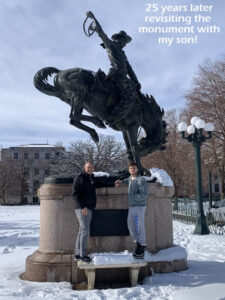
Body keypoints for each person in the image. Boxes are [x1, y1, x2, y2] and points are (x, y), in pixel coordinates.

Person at [85, 11, 142, 125]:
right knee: (130, 97)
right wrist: (94, 18)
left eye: (126, 42)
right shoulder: (111, 46)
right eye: (124, 41)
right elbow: (102, 34)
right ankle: (111, 118)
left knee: (136, 95)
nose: (125, 44)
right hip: (116, 77)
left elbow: (130, 70)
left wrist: (137, 82)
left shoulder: (123, 54)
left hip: (124, 78)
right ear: (119, 39)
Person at [72, 162, 115, 263]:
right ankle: (82, 255)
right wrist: (83, 207)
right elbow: (75, 194)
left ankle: (78, 254)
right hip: (83, 208)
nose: (90, 168)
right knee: (85, 231)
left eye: (91, 167)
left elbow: (100, 184)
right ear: (84, 168)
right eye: (88, 167)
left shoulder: (91, 178)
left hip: (89, 208)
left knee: (82, 231)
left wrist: (113, 184)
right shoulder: (80, 177)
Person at [115, 162, 149, 258]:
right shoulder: (130, 179)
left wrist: (134, 197)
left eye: (134, 168)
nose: (132, 170)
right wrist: (121, 181)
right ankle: (137, 243)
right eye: (130, 168)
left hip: (139, 206)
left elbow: (144, 194)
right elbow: (127, 180)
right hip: (132, 206)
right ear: (129, 170)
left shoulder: (141, 179)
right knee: (130, 224)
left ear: (137, 169)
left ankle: (142, 246)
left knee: (139, 226)